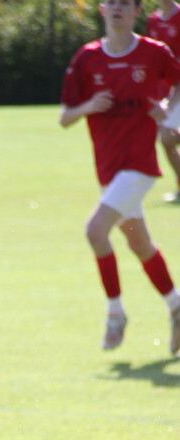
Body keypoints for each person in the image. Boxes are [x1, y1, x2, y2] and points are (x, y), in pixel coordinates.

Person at [59, 0, 180, 355]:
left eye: (125, 3)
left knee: (95, 231)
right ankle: (176, 306)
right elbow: (65, 117)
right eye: (111, 1)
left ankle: (115, 313)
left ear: (137, 11)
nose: (117, 8)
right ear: (101, 8)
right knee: (139, 243)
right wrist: (88, 106)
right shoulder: (87, 58)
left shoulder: (154, 53)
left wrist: (169, 115)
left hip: (139, 168)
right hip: (108, 172)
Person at [146, 0, 180, 201]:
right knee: (166, 140)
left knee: (166, 138)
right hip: (166, 88)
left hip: (178, 86)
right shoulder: (154, 20)